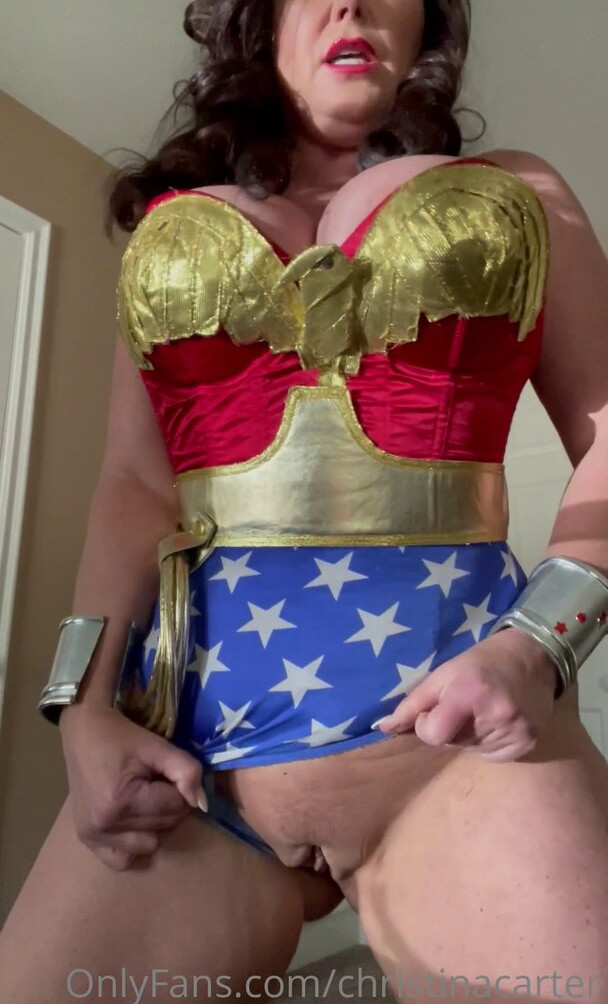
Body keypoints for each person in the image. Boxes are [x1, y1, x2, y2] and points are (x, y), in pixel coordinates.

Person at [1, 0, 607, 1001]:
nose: (351, 3)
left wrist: (537, 644)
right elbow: (134, 484)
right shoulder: (171, 225)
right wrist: (80, 709)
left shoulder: (521, 192)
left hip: (458, 753)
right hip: (186, 761)